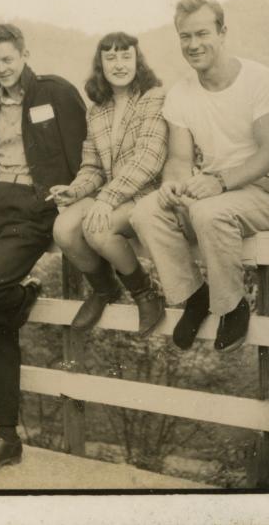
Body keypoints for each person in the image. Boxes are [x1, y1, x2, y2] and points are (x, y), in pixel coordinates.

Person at [131, 0, 269, 353]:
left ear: (222, 33)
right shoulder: (182, 93)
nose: (193, 44)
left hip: (258, 192)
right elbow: (179, 158)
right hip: (209, 190)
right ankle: (193, 295)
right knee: (145, 210)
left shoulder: (260, 79)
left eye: (202, 34)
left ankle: (232, 306)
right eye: (185, 36)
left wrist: (218, 182)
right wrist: (172, 184)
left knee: (207, 211)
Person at [0, 24, 86, 477]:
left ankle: (25, 294)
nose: (1, 68)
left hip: (35, 206)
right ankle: (6, 438)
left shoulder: (54, 92)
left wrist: (74, 200)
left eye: (7, 59)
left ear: (24, 54)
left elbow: (82, 153)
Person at [51, 32, 167, 336]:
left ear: (137, 60)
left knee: (96, 229)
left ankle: (145, 292)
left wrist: (106, 199)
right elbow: (93, 167)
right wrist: (73, 190)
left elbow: (148, 159)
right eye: (111, 58)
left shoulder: (154, 97)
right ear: (100, 64)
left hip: (144, 194)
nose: (119, 64)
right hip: (110, 195)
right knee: (63, 228)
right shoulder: (97, 110)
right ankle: (105, 289)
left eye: (126, 56)